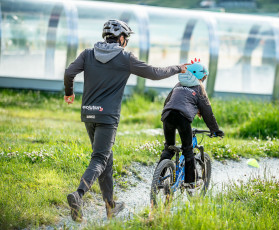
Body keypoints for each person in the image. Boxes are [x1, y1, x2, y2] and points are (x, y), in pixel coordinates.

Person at [64, 19, 187, 222]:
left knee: (105, 159)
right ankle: (78, 195)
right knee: (99, 159)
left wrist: (69, 93)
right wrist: (178, 68)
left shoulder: (87, 54)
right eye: (126, 38)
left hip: (88, 113)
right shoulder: (125, 57)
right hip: (107, 117)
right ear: (121, 38)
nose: (126, 42)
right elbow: (155, 73)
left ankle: (110, 206)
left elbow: (69, 72)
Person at [158, 59, 224, 188]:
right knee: (188, 150)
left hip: (167, 116)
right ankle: (190, 182)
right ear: (201, 77)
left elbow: (167, 102)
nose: (203, 81)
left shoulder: (178, 84)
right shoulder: (199, 88)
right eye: (204, 78)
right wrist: (215, 130)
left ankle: (158, 179)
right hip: (182, 118)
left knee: (169, 148)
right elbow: (207, 112)